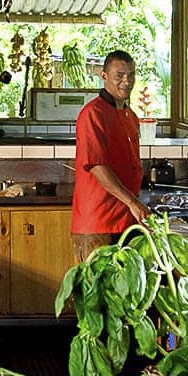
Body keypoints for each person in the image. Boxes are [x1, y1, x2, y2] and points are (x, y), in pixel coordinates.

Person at [70, 49, 149, 261]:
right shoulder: (92, 113)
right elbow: (97, 166)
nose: (127, 81)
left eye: (131, 75)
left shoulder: (130, 116)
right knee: (96, 282)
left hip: (126, 221)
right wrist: (133, 202)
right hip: (98, 223)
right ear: (104, 76)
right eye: (119, 76)